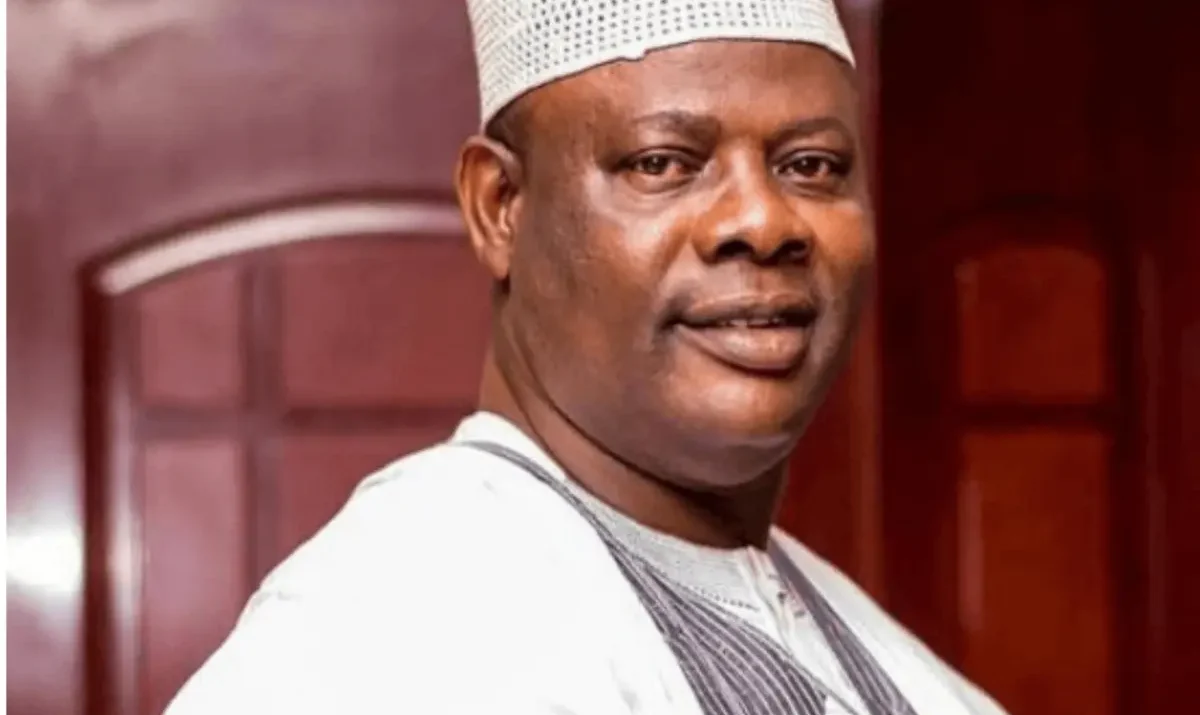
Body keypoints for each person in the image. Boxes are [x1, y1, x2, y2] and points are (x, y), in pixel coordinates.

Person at [166, 1, 1008, 713]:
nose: (762, 220)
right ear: (500, 205)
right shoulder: (380, 638)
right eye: (663, 163)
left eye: (811, 165)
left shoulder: (911, 677)